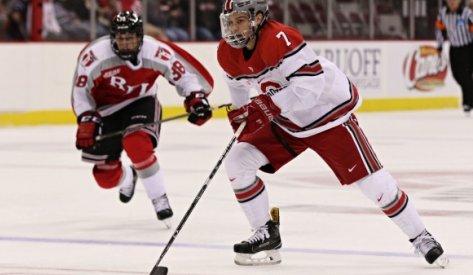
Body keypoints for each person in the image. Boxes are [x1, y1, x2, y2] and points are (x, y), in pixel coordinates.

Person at [217, 0, 449, 267]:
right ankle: (265, 232)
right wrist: (241, 113)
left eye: (240, 20)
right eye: (230, 21)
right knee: (237, 161)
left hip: (327, 115)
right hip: (288, 120)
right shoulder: (227, 52)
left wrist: (267, 105)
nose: (234, 28)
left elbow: (311, 87)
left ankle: (420, 236)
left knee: (375, 185)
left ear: (258, 18)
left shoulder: (280, 39)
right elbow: (237, 88)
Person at [71, 11, 213, 227]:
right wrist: (87, 119)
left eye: (130, 38)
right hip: (104, 111)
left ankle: (159, 200)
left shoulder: (155, 51)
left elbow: (183, 76)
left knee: (137, 143)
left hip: (141, 101)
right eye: (121, 38)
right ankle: (128, 176)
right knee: (105, 177)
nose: (126, 43)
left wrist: (195, 98)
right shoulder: (95, 56)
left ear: (140, 37)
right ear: (112, 38)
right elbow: (81, 92)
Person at [435, 0, 473, 116]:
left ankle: (468, 102)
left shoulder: (467, 13)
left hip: (468, 48)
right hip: (454, 49)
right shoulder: (443, 13)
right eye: (450, 0)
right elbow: (439, 29)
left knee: (465, 75)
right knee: (457, 76)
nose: (452, 2)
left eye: (454, 0)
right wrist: (440, 46)